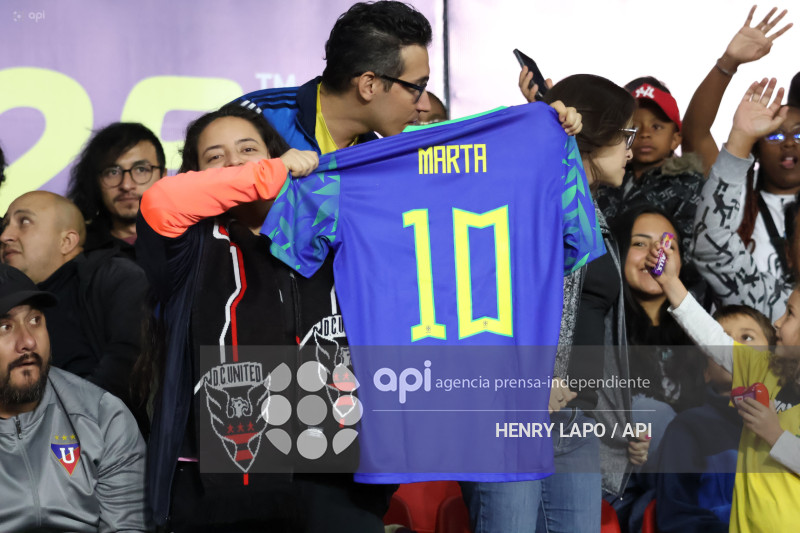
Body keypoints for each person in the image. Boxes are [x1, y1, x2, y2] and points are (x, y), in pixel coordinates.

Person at [137, 103, 395, 532]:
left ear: (274, 151)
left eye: (248, 149)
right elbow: (162, 200)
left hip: (335, 465)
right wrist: (265, 173)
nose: (234, 163)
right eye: (215, 158)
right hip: (221, 480)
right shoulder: (188, 246)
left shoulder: (333, 231)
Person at [650, 79, 800, 531]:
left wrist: (777, 438)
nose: (776, 321)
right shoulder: (767, 369)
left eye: (790, 316)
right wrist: (673, 286)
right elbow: (714, 339)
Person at [516, 72, 643, 532]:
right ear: (594, 134)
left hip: (578, 419)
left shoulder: (595, 212)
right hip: (523, 413)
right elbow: (512, 300)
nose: (632, 149)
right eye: (625, 135)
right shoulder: (537, 203)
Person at [0, 263, 147, 532]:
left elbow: (128, 527)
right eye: (5, 327)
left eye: (35, 320)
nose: (28, 342)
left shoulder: (102, 415)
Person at [0, 191, 149, 433]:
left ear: (67, 241)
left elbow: (126, 367)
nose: (6, 236)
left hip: (101, 445)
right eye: (5, 225)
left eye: (24, 222)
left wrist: (50, 426)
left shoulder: (116, 278)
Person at [683, 6, 796, 318]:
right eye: (773, 135)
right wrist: (727, 64)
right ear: (755, 148)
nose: (788, 143)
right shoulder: (733, 189)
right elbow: (694, 134)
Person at [654, 305, 773, 533]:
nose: (733, 348)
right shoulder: (687, 427)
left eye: (746, 337)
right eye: (720, 340)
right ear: (706, 371)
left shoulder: (789, 424)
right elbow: (677, 517)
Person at [596, 78, 704, 254]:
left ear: (675, 139)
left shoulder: (689, 183)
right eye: (635, 128)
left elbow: (687, 251)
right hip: (599, 275)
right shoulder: (605, 178)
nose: (645, 134)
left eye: (656, 126)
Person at [68, 122, 166, 262]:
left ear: (163, 176)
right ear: (96, 180)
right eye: (113, 172)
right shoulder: (77, 250)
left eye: (141, 170)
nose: (126, 185)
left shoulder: (192, 240)